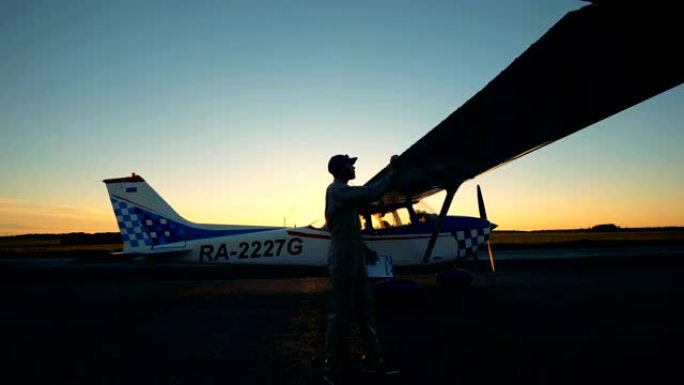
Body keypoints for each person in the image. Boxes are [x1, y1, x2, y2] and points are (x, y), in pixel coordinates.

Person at [323, 154, 399, 384]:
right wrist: (392, 171)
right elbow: (369, 193)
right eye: (350, 164)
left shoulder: (344, 196)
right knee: (340, 314)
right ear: (340, 168)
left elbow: (350, 231)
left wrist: (365, 251)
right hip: (343, 256)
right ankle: (332, 369)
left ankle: (375, 364)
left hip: (353, 253)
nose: (353, 167)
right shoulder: (337, 190)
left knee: (367, 311)